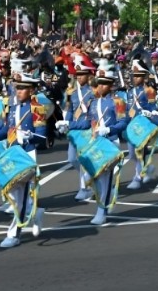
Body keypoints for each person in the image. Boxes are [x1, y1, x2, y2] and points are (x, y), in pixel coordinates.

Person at [0, 74, 46, 248]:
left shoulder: (37, 108)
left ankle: (14, 233)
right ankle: (35, 213)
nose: (18, 91)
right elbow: (4, 131)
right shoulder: (10, 108)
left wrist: (30, 136)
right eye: (17, 88)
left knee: (22, 196)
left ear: (31, 90)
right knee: (12, 195)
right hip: (12, 153)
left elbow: (43, 137)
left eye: (22, 88)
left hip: (27, 154)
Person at [63, 64, 128, 225]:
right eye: (99, 83)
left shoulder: (118, 101)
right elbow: (86, 122)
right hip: (94, 143)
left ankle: (101, 211)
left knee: (104, 179)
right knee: (92, 177)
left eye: (105, 83)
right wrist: (68, 124)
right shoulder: (92, 102)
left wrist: (109, 129)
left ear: (111, 84)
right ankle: (106, 199)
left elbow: (123, 121)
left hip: (110, 142)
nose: (100, 86)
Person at [56, 60, 95, 201]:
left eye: (82, 74)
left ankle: (84, 188)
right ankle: (89, 179)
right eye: (77, 74)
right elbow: (71, 111)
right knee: (72, 158)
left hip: (87, 129)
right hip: (74, 129)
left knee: (83, 159)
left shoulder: (92, 93)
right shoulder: (73, 93)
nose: (79, 77)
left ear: (88, 76)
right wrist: (66, 123)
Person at [126, 60, 157, 190]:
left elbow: (154, 107)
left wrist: (149, 112)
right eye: (134, 75)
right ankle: (147, 167)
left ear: (144, 76)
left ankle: (137, 177)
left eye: (138, 75)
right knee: (132, 153)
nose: (135, 78)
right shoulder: (129, 92)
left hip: (143, 125)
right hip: (132, 126)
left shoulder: (149, 91)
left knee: (139, 152)